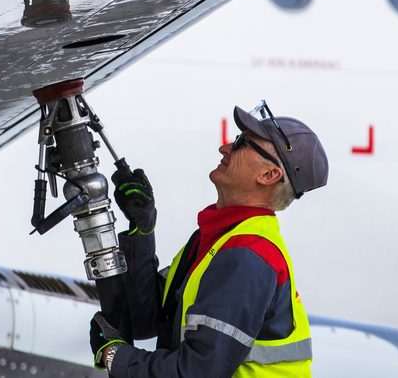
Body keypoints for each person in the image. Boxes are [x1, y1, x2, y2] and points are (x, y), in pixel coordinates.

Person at [90, 101, 329, 377]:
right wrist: (142, 231)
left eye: (241, 143)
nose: (225, 147)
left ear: (268, 175)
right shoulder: (220, 238)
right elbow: (150, 319)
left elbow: (196, 372)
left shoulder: (247, 256)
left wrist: (115, 357)